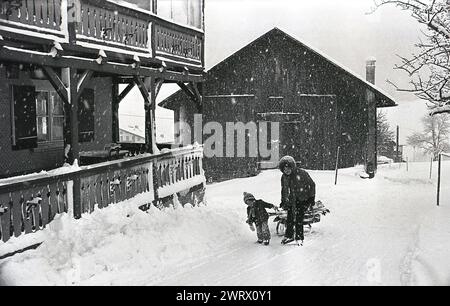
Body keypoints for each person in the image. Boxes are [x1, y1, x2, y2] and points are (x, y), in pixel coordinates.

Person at [278, 156, 316, 245]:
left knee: (299, 219)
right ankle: (289, 235)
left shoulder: (302, 173)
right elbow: (284, 190)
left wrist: (311, 198)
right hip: (291, 201)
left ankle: (299, 238)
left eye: (288, 168)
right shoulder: (284, 177)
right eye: (284, 169)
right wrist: (283, 200)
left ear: (292, 166)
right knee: (290, 218)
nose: (286, 170)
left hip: (302, 199)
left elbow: (312, 185)